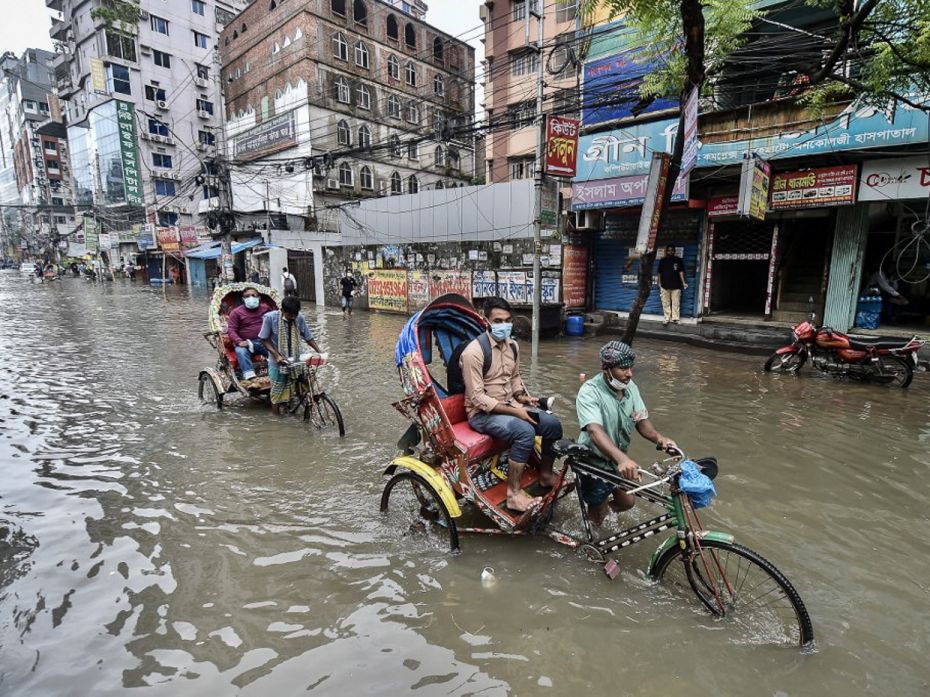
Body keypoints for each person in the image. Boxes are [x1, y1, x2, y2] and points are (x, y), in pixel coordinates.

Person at [461, 297, 563, 512]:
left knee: (553, 424)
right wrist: (515, 411)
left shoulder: (513, 346)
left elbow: (514, 377)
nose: (503, 326)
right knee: (524, 431)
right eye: (497, 321)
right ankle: (513, 494)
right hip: (482, 414)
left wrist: (522, 397)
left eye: (507, 321)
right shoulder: (473, 353)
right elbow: (478, 398)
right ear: (485, 320)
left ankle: (545, 475)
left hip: (510, 404)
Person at [575, 341, 678, 527]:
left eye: (631, 368)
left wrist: (659, 438)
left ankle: (599, 514)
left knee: (627, 502)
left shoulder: (630, 387)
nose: (629, 373)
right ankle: (591, 540)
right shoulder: (590, 391)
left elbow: (640, 420)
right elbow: (594, 430)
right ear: (606, 368)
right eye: (623, 369)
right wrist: (622, 459)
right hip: (594, 461)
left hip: (617, 460)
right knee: (596, 516)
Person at [259, 295, 322, 414]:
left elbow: (308, 337)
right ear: (282, 310)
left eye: (295, 314)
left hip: (297, 357)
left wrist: (320, 352)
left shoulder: (299, 318)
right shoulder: (270, 318)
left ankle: (309, 410)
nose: (293, 317)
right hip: (278, 361)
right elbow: (264, 339)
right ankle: (277, 422)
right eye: (290, 315)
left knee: (307, 383)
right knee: (277, 393)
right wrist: (276, 355)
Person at [227, 286, 273, 381]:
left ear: (259, 298)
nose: (251, 298)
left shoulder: (266, 309)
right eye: (247, 296)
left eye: (253, 295)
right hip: (246, 344)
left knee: (279, 349)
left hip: (265, 342)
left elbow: (274, 322)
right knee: (240, 351)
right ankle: (251, 378)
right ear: (243, 299)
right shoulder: (236, 312)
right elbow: (231, 330)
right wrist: (239, 341)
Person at [657, 245, 687, 326]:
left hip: (676, 285)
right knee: (665, 303)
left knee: (676, 303)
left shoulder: (678, 260)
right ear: (666, 251)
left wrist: (683, 282)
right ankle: (667, 319)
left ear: (674, 251)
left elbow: (681, 272)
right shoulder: (662, 261)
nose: (670, 252)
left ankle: (676, 319)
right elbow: (659, 272)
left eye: (672, 250)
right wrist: (659, 282)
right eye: (669, 250)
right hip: (664, 285)